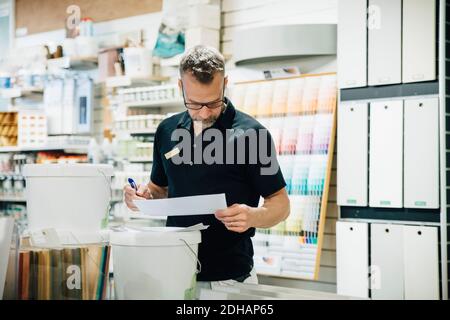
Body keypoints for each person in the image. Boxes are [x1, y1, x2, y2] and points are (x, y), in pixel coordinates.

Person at [124, 45, 290, 287]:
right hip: (174, 271)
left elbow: (281, 204)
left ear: (225, 84)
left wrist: (253, 216)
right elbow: (159, 189)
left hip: (231, 276)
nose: (203, 113)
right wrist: (143, 197)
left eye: (212, 103)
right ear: (181, 87)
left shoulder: (252, 135)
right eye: (193, 103)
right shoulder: (167, 130)